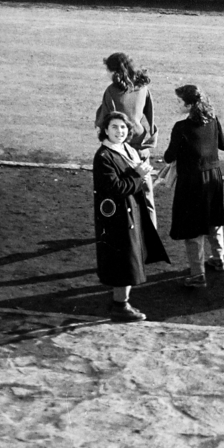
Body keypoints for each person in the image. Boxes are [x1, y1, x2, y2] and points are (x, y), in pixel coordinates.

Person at [93, 111, 169, 321]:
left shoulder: (126, 149)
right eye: (115, 127)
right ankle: (120, 305)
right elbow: (116, 188)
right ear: (105, 130)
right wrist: (139, 174)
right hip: (117, 217)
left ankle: (121, 301)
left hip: (130, 210)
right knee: (124, 260)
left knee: (129, 257)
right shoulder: (103, 157)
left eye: (123, 127)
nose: (120, 131)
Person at [164, 84, 224, 288]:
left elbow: (169, 156)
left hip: (191, 181)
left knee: (192, 228)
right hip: (213, 178)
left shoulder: (181, 128)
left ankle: (197, 274)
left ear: (188, 103)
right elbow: (223, 145)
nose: (177, 103)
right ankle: (219, 258)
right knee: (213, 219)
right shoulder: (212, 119)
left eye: (179, 100)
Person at [94, 52, 155, 156]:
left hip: (120, 141)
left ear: (114, 72)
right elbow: (150, 115)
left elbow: (105, 119)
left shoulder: (111, 91)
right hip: (139, 139)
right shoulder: (143, 88)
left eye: (107, 69)